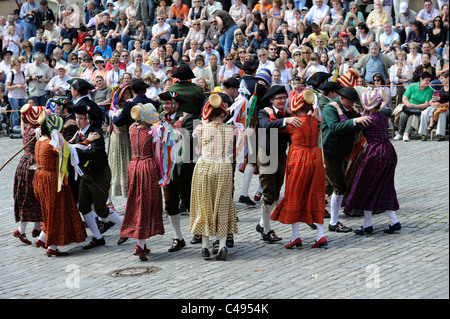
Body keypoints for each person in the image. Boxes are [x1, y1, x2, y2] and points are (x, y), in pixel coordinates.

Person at [270, 90, 328, 248]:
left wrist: (272, 113)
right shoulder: (315, 120)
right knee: (316, 194)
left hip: (299, 158)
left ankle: (295, 236)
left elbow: (272, 125)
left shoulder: (293, 122)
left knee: (294, 194)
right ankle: (320, 235)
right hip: (315, 156)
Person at [344, 89, 401, 235]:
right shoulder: (381, 117)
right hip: (389, 151)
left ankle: (369, 224)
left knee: (366, 187)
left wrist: (339, 110)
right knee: (385, 186)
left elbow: (348, 125)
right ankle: (392, 221)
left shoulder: (368, 120)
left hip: (375, 154)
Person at [190, 94, 238, 260]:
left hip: (205, 165)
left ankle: (204, 246)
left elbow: (197, 147)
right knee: (223, 204)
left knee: (204, 204)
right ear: (223, 114)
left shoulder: (200, 129)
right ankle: (222, 244)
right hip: (223, 166)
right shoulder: (231, 129)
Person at [33, 112, 87, 256]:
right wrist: (85, 143)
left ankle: (43, 237)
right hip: (52, 180)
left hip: (39, 178)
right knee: (57, 211)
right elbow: (69, 151)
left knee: (48, 210)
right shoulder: (53, 142)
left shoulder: (39, 140)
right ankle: (52, 246)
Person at [256, 85, 303, 243]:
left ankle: (262, 223)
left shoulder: (288, 114)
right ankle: (267, 230)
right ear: (271, 101)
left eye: (284, 97)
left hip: (281, 155)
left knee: (276, 192)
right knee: (268, 193)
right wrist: (285, 120)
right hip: (267, 154)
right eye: (279, 98)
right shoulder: (264, 112)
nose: (283, 101)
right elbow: (266, 126)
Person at [321, 86, 372, 233]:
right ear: (342, 99)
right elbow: (335, 128)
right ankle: (333, 222)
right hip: (330, 150)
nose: (353, 104)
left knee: (329, 184)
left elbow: (353, 126)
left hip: (342, 151)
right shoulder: (330, 109)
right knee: (340, 186)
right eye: (351, 102)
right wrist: (355, 121)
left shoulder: (350, 109)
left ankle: (316, 210)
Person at [120, 102, 164, 261]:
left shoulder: (132, 129)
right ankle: (140, 243)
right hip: (147, 166)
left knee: (136, 201)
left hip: (133, 165)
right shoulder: (153, 132)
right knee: (146, 204)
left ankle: (142, 243)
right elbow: (159, 152)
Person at [12, 104, 44, 245]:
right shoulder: (36, 131)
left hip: (23, 164)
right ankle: (21, 229)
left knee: (33, 197)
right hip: (32, 166)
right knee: (30, 196)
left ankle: (37, 227)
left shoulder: (27, 130)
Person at [394, 71, 434, 142]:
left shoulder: (429, 90)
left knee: (412, 116)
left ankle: (406, 134)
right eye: (426, 80)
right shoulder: (413, 85)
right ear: (421, 79)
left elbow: (426, 104)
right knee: (403, 114)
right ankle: (400, 133)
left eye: (429, 81)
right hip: (408, 106)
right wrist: (409, 104)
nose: (428, 82)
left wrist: (414, 106)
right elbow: (405, 97)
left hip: (419, 109)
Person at [108, 85, 133, 197]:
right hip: (116, 138)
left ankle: (127, 186)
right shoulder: (116, 107)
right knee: (116, 162)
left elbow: (119, 121)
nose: (128, 94)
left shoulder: (127, 107)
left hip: (124, 138)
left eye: (129, 92)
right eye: (125, 93)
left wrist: (113, 115)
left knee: (125, 161)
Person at [418, 71, 449, 141]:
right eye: (440, 79)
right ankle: (424, 134)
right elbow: (431, 99)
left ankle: (441, 134)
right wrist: (432, 103)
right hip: (436, 106)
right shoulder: (438, 87)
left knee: (442, 113)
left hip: (446, 107)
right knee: (424, 113)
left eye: (443, 78)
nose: (441, 80)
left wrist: (441, 104)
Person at [5, 59, 27, 132]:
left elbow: (24, 83)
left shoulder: (22, 73)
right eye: (17, 66)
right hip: (13, 96)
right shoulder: (11, 74)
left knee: (25, 110)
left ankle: (26, 125)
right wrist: (16, 86)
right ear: (13, 66)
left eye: (19, 65)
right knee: (16, 112)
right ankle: (16, 127)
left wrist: (24, 86)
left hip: (21, 95)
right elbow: (7, 87)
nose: (19, 67)